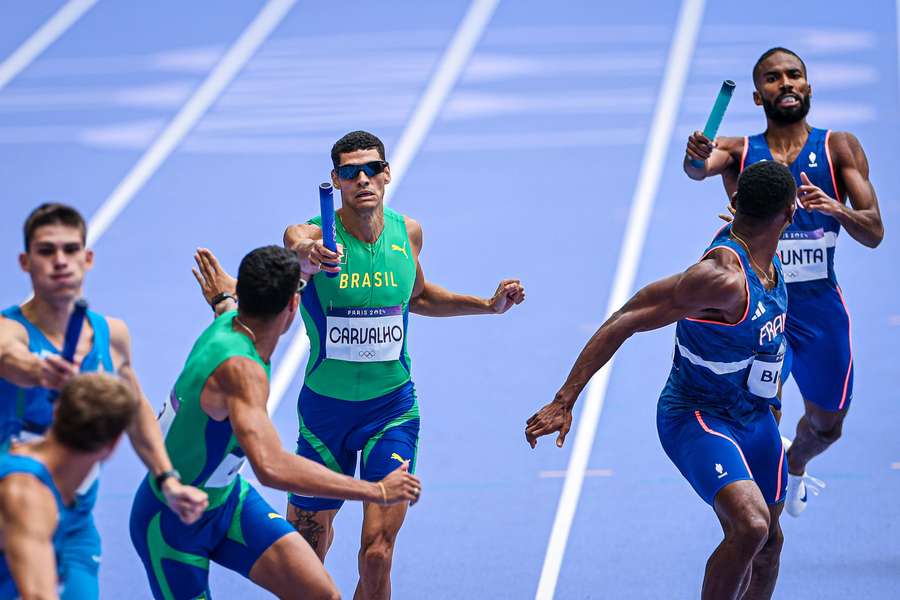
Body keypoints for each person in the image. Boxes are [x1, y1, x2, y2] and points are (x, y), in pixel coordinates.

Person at [527, 161, 797, 599]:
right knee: (750, 526)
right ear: (791, 212)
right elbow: (626, 318)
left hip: (755, 418)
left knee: (769, 544)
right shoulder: (722, 280)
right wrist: (564, 399)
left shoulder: (770, 251)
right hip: (697, 415)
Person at [281, 130, 525, 599]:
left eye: (371, 168)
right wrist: (306, 253)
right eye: (350, 173)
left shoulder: (407, 233)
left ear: (387, 173)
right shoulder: (317, 236)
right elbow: (295, 239)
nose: (363, 179)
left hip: (390, 412)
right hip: (324, 417)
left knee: (377, 553)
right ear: (336, 180)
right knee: (307, 551)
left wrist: (487, 304)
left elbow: (419, 297)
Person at [130, 245, 421, 600]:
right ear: (293, 306)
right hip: (171, 523)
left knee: (320, 594)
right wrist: (376, 491)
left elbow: (225, 305)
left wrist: (222, 296)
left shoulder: (231, 321)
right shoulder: (241, 371)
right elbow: (270, 467)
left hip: (226, 502)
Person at [683, 47, 884, 516]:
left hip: (819, 310)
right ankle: (761, 517)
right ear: (758, 96)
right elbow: (697, 169)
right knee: (759, 414)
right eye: (773, 79)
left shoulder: (839, 148)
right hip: (762, 310)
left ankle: (795, 465)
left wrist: (833, 207)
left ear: (808, 87)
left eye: (794, 75)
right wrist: (695, 156)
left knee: (828, 424)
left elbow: (873, 230)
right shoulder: (738, 151)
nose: (786, 83)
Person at [0, 204, 208, 599]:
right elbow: (11, 359)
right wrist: (42, 371)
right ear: (26, 262)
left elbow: (134, 409)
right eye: (46, 251)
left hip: (76, 521)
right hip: (14, 510)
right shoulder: (10, 331)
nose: (60, 261)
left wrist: (167, 479)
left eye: (70, 249)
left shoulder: (111, 335)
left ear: (87, 258)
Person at [0, 373, 138, 599]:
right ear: (112, 446)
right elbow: (38, 595)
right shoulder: (28, 497)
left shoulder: (28, 462)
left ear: (56, 411)